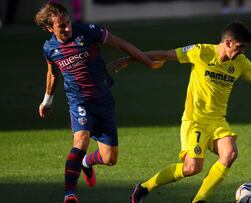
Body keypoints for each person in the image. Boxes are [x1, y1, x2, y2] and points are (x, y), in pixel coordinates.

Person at [108, 21, 251, 203]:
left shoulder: (241, 62)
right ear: (228, 42)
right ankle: (144, 187)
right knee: (192, 168)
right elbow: (165, 54)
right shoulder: (200, 52)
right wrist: (130, 59)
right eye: (240, 46)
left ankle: (199, 200)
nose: (242, 51)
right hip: (195, 121)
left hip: (217, 121)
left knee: (230, 154)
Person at [34, 2, 162, 203]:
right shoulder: (49, 48)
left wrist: (148, 61)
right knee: (81, 139)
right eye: (61, 26)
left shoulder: (89, 32)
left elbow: (122, 44)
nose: (68, 28)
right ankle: (69, 194)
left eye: (68, 22)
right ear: (50, 28)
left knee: (110, 158)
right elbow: (52, 74)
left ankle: (86, 162)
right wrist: (47, 100)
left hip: (103, 98)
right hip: (79, 100)